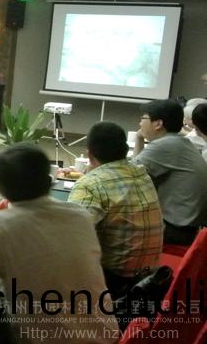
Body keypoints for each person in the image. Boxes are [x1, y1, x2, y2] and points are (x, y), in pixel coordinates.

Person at [0, 144, 119, 343]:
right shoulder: (80, 216)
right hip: (106, 336)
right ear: (49, 181)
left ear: (0, 188)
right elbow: (41, 267)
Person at [68, 122, 163, 295]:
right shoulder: (142, 174)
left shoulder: (90, 184)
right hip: (150, 278)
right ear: (125, 150)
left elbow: (72, 240)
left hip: (113, 282)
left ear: (89, 155)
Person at [133, 99, 207, 245]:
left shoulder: (165, 145)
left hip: (175, 231)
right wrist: (139, 139)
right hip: (188, 227)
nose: (140, 123)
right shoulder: (178, 141)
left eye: (143, 118)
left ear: (158, 124)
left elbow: (126, 175)